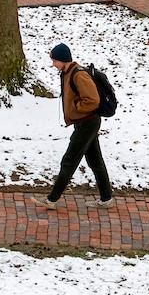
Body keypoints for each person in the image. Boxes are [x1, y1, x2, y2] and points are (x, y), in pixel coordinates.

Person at [33, 43, 115, 209]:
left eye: (55, 60)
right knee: (95, 160)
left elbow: (92, 100)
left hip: (87, 122)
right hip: (84, 122)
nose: (53, 64)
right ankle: (107, 199)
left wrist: (77, 109)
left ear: (63, 60)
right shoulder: (67, 72)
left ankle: (52, 200)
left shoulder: (78, 75)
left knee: (69, 161)